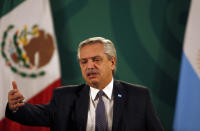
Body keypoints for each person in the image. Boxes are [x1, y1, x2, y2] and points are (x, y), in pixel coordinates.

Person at [6, 37, 164, 131]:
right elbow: (34, 115)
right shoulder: (64, 97)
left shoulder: (138, 96)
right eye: (84, 62)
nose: (89, 66)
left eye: (96, 60)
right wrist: (16, 106)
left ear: (112, 62)